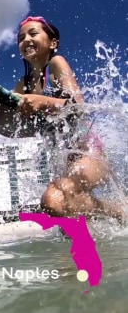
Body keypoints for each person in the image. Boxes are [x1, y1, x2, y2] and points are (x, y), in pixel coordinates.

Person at [13, 15, 124, 223]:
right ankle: (117, 215)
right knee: (65, 214)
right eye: (21, 37)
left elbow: (79, 106)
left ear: (53, 43)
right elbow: (8, 113)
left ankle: (118, 212)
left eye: (33, 33)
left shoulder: (56, 63)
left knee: (53, 201)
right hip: (65, 159)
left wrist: (42, 101)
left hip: (90, 152)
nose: (26, 39)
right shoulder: (25, 83)